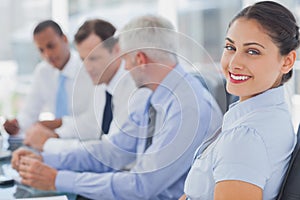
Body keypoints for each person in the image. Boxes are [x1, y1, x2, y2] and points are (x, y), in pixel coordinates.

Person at [11, 15, 223, 199]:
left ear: (140, 59)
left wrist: (57, 179)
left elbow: (142, 186)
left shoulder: (187, 108)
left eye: (127, 60)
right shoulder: (151, 96)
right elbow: (114, 152)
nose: (126, 68)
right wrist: (46, 159)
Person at [181, 1, 299, 199]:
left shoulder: (245, 137)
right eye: (230, 47)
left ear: (287, 61)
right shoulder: (267, 116)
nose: (234, 63)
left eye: (253, 51)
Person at [23, 19, 138, 153]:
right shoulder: (103, 85)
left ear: (116, 50)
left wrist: (49, 143)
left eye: (93, 58)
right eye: (83, 60)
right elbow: (92, 125)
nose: (87, 68)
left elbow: (113, 153)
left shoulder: (134, 89)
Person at [3, 20, 95, 144]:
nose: (47, 54)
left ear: (64, 39)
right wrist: (17, 124)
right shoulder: (43, 71)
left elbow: (94, 120)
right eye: (41, 50)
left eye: (51, 46)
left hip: (86, 143)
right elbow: (30, 112)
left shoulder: (89, 69)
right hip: (54, 144)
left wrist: (58, 123)